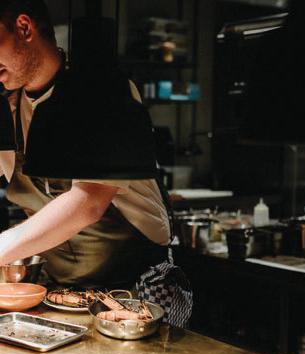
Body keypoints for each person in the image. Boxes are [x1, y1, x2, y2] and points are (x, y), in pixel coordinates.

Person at [0, 0, 191, 326]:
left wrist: (3, 246)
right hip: (61, 293)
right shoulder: (9, 106)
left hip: (135, 290)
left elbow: (88, 202)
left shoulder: (105, 94)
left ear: (24, 28)